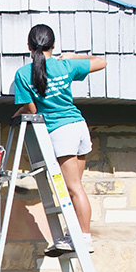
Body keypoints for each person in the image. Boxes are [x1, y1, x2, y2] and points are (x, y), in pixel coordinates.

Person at [12, 24, 106, 256]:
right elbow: (101, 61)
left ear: (28, 47)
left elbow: (32, 108)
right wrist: (73, 57)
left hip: (61, 132)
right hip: (78, 126)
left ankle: (84, 238)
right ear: (53, 46)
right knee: (75, 188)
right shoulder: (65, 65)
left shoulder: (23, 74)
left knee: (73, 188)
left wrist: (15, 115)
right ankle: (75, 234)